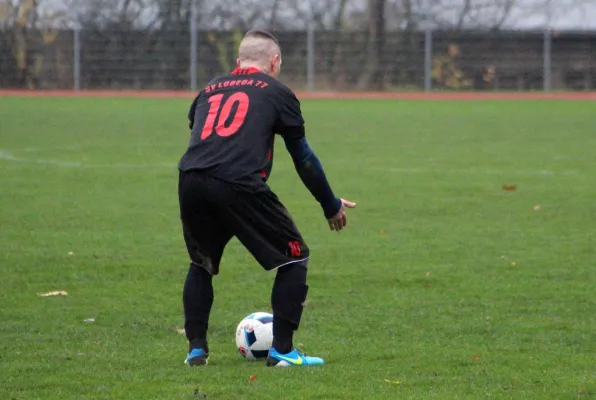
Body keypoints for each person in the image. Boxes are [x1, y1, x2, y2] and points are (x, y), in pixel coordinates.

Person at [177, 29, 356, 367]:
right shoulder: (278, 92)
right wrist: (330, 204)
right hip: (238, 183)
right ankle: (284, 352)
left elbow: (202, 134)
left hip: (191, 180)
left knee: (200, 264)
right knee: (293, 257)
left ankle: (196, 350)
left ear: (238, 62)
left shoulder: (208, 90)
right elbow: (303, 157)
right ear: (274, 62)